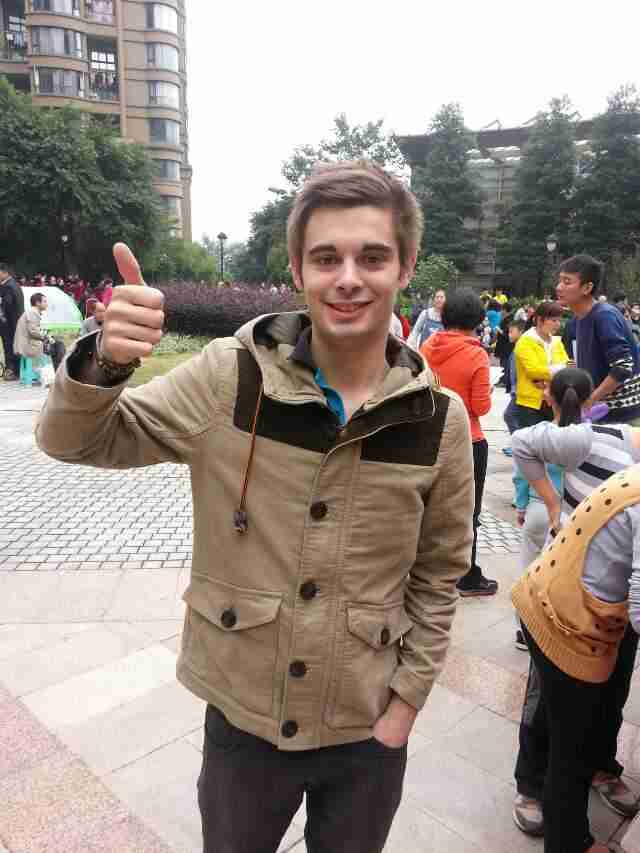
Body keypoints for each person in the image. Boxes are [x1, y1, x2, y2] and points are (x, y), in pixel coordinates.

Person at [36, 160, 475, 853]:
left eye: (372, 257)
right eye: (326, 258)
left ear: (406, 266)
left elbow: (438, 573)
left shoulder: (438, 421)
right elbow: (73, 438)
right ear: (297, 270)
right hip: (244, 727)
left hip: (366, 731)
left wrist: (404, 707)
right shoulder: (230, 377)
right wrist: (105, 363)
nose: (348, 278)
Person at [511, 367, 640, 848]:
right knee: (553, 707)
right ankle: (533, 785)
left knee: (611, 690)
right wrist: (551, 503)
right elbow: (521, 443)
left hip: (609, 604)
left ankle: (599, 767)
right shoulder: (592, 438)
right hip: (561, 601)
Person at [421, 287, 497, 597]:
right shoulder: (476, 354)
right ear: (477, 319)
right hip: (468, 439)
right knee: (467, 513)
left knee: (428, 509)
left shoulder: (428, 346)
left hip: (430, 435)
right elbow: (480, 407)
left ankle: (426, 571)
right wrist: (486, 392)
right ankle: (466, 576)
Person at [557, 255, 640, 425]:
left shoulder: (604, 316)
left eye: (567, 282)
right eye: (560, 281)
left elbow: (623, 366)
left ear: (587, 287)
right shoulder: (577, 320)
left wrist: (590, 400)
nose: (558, 287)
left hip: (623, 417)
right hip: (599, 415)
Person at [514, 301, 568, 428]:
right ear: (539, 320)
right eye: (554, 320)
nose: (558, 324)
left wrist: (547, 374)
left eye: (559, 320)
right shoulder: (526, 341)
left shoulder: (556, 342)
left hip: (554, 402)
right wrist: (559, 369)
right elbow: (534, 370)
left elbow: (568, 367)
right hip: (531, 404)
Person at [13, 292, 49, 381]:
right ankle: (44, 375)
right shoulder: (33, 313)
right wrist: (45, 337)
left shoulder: (32, 312)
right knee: (49, 351)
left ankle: (36, 373)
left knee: (46, 344)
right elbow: (33, 331)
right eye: (44, 301)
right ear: (37, 303)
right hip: (27, 345)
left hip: (25, 343)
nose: (46, 304)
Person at [502, 319, 525, 451]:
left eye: (512, 332)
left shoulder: (523, 347)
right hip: (516, 390)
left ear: (521, 332)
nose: (509, 334)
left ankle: (519, 445)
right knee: (516, 417)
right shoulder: (517, 347)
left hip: (520, 390)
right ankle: (518, 444)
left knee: (509, 415)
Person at [0, 262, 25, 380]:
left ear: (5, 272)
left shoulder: (8, 286)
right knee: (14, 346)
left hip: (9, 324)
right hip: (15, 322)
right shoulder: (14, 284)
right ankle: (16, 371)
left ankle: (12, 371)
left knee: (9, 347)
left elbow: (7, 306)